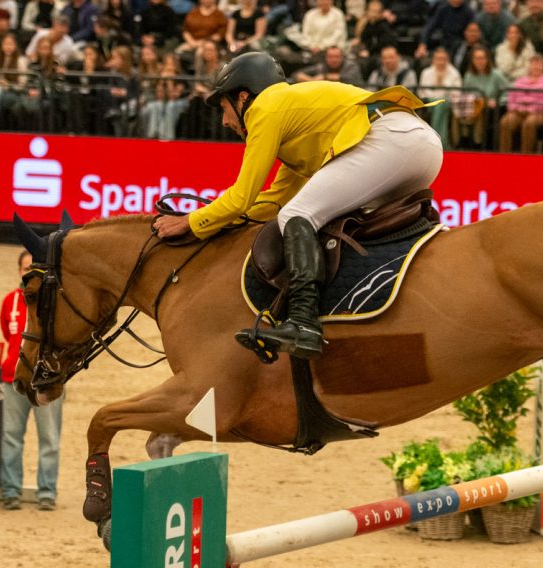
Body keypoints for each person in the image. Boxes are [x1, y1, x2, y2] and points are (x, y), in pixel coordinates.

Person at [150, 52, 443, 361]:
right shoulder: (292, 117)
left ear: (243, 97)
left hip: (390, 140)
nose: (224, 121)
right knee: (314, 214)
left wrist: (192, 222)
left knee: (298, 215)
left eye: (223, 108)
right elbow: (276, 199)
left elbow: (243, 196)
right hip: (420, 144)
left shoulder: (264, 108)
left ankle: (304, 322)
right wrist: (219, 217)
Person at [0, 251, 63, 512]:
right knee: (11, 436)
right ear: (19, 271)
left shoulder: (55, 301)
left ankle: (46, 492)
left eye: (33, 269)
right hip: (12, 377)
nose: (28, 274)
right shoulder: (9, 302)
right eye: (25, 269)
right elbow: (7, 333)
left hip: (46, 379)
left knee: (49, 437)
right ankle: (10, 491)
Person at [498, 54, 543, 152]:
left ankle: (526, 154)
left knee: (529, 123)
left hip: (540, 113)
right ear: (529, 66)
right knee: (506, 122)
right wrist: (516, 108)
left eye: (539, 64)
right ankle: (504, 154)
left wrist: (532, 107)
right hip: (518, 111)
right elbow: (511, 98)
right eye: (533, 64)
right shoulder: (520, 81)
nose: (536, 66)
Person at [455, 44, 509, 147]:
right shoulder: (468, 76)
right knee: (456, 113)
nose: (480, 61)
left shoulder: (496, 75)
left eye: (482, 58)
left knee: (481, 112)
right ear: (472, 60)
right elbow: (465, 94)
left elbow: (508, 92)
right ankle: (461, 140)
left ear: (487, 59)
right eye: (477, 58)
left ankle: (477, 142)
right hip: (472, 106)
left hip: (490, 107)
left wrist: (497, 101)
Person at [419, 47, 462, 148]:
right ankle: (443, 143)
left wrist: (444, 82)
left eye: (444, 59)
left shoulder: (454, 73)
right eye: (438, 59)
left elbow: (457, 93)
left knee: (441, 105)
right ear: (433, 60)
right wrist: (437, 98)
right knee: (439, 104)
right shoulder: (426, 72)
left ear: (448, 60)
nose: (441, 62)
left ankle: (435, 141)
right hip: (429, 103)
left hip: (448, 103)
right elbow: (423, 92)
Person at [293, 44, 364, 84]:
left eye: (337, 57)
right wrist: (311, 80)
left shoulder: (351, 66)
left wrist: (325, 77)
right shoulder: (321, 67)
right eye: (331, 57)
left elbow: (351, 79)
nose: (334, 60)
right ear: (326, 58)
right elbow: (296, 74)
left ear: (342, 57)